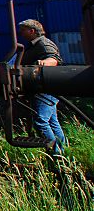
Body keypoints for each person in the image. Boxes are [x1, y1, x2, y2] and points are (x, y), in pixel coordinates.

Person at [18, 19, 66, 154]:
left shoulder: (43, 43)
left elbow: (55, 59)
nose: (21, 33)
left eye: (23, 30)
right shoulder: (34, 45)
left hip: (45, 88)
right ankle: (62, 153)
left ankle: (55, 153)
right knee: (52, 121)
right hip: (44, 88)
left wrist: (42, 63)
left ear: (32, 31)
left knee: (41, 122)